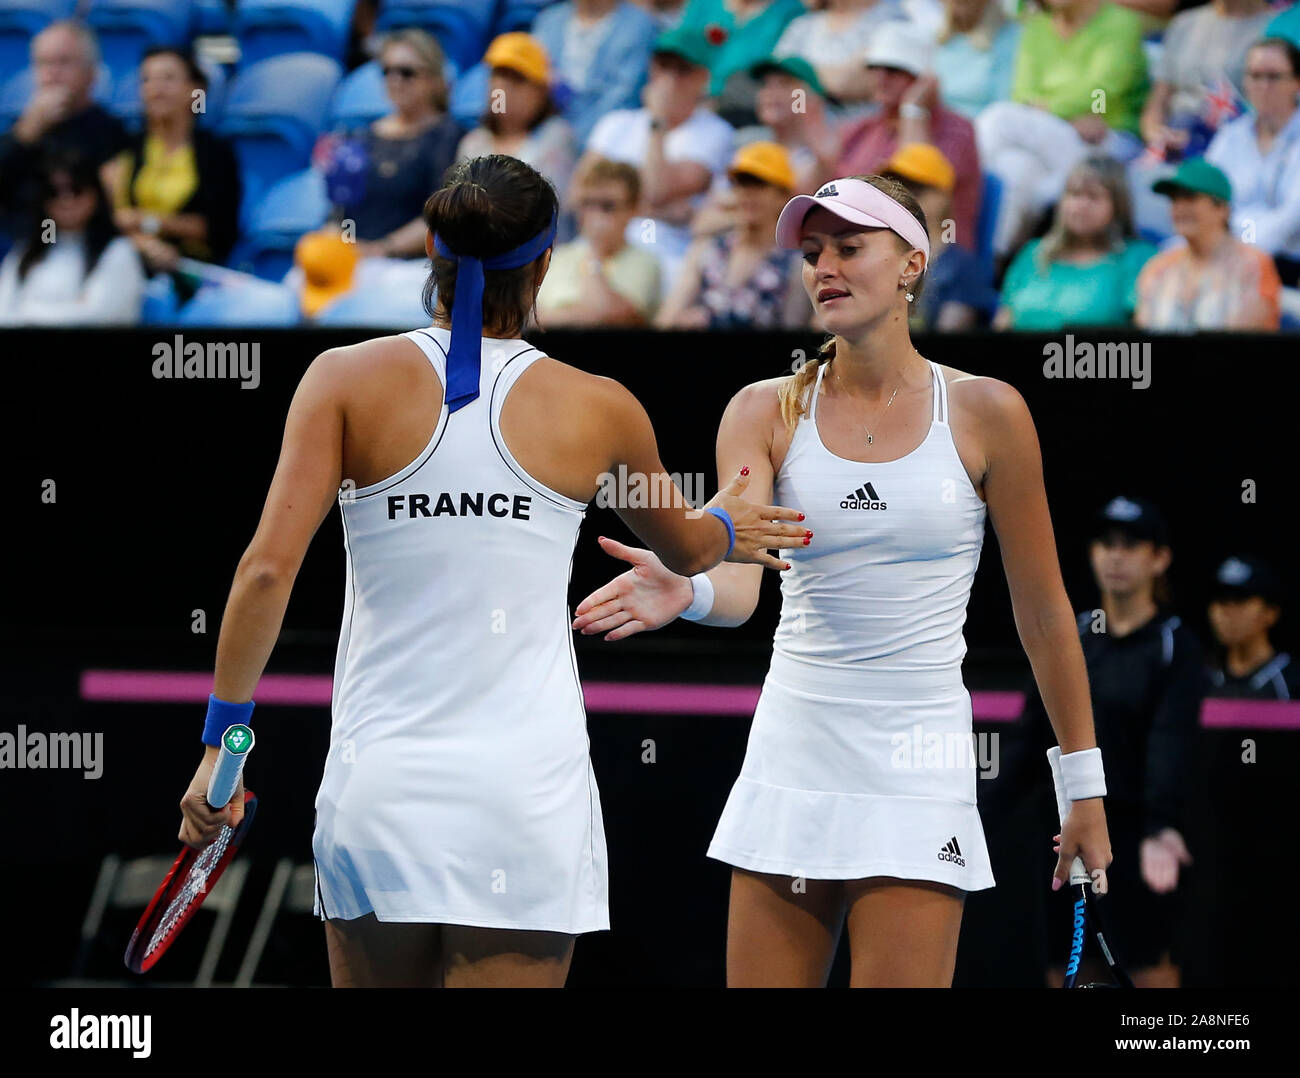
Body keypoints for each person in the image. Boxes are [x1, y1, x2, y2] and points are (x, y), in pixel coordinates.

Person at [175, 154, 809, 988]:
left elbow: (265, 574)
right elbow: (691, 549)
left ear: (433, 254)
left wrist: (223, 745)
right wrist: (729, 521)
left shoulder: (340, 380)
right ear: (545, 263)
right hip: (524, 803)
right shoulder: (600, 407)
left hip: (381, 795)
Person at [572, 174, 1115, 987]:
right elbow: (745, 582)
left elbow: (1043, 614)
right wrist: (691, 589)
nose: (823, 266)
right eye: (812, 251)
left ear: (911, 265)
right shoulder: (761, 410)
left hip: (919, 759)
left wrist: (1084, 788)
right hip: (794, 745)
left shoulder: (988, 412)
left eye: (850, 247)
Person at [1014, 497, 1207, 988]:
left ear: (1159, 558)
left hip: (1140, 839)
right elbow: (1028, 740)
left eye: (1131, 545)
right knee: (1068, 969)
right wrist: (976, 812)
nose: (1115, 557)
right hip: (1065, 835)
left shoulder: (1175, 644)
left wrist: (1161, 828)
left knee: (1145, 969)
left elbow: (1172, 742)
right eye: (1106, 545)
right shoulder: (1072, 636)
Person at [975, 0, 1148, 258]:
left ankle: (963, 196)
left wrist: (1049, 110)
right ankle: (996, 264)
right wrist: (1062, 116)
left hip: (1106, 138)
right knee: (1016, 168)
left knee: (998, 119)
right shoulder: (1036, 27)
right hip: (1053, 133)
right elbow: (1022, 92)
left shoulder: (1123, 22)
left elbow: (1102, 91)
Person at [1199, 554, 1294, 986]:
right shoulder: (1199, 678)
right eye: (1220, 600)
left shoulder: (1289, 682)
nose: (1227, 611)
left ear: (1271, 612)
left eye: (1241, 599)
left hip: (1278, 858)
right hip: (1211, 856)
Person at [583, 27, 735, 288]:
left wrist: (658, 122)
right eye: (663, 66)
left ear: (703, 77)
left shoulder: (715, 132)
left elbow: (655, 191)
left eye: (682, 70)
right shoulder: (616, 122)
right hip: (596, 243)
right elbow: (581, 192)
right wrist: (670, 211)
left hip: (664, 253)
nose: (669, 79)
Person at [836, 20, 981, 251]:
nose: (881, 77)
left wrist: (913, 111)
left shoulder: (958, 131)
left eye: (894, 70)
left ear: (923, 79)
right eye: (876, 67)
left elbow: (915, 197)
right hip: (869, 257)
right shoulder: (860, 130)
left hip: (939, 265)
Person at [321, 29, 463, 260]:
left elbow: (440, 217)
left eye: (407, 72)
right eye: (387, 71)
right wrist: (341, 247)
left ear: (433, 78)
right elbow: (341, 211)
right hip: (356, 259)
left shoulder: (449, 137)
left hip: (409, 266)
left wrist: (382, 249)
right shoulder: (363, 135)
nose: (395, 80)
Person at [103, 48, 241, 272]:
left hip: (191, 267)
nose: (156, 90)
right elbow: (108, 215)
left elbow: (218, 227)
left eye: (168, 79)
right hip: (129, 258)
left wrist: (146, 221)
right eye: (147, 80)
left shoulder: (215, 153)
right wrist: (143, 243)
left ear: (196, 90)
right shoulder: (124, 147)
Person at [995, 155, 1156, 330]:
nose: (1081, 205)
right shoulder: (1032, 253)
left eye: (1094, 197)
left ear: (1117, 206)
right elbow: (1004, 321)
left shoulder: (1138, 258)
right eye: (1074, 194)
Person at [657, 141, 807, 327]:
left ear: (783, 195)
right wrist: (685, 321)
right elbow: (666, 320)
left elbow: (795, 334)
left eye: (759, 185)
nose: (747, 193)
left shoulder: (794, 264)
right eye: (741, 183)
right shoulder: (708, 250)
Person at [0, 21, 127, 236]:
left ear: (91, 73)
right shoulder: (21, 129)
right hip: (22, 249)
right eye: (43, 63)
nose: (52, 73)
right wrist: (25, 134)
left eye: (64, 62)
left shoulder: (110, 131)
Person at [1136, 158, 1281, 330]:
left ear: (1222, 209)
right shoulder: (1158, 268)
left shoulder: (1253, 266)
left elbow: (1247, 335)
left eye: (1190, 198)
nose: (1179, 207)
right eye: (1174, 199)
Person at [0, 152, 144, 325]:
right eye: (53, 192)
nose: (65, 200)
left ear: (95, 194)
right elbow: (3, 312)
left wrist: (25, 312)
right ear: (43, 201)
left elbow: (98, 316)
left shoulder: (118, 250)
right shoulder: (26, 253)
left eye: (75, 189)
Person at [1204, 37, 1300, 287]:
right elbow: (1206, 195)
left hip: (1286, 264)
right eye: (1255, 76)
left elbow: (1290, 219)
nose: (1263, 86)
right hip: (1224, 253)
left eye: (1273, 77)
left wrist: (1235, 250)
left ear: (1297, 82)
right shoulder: (1230, 136)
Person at [880, 142, 996, 329]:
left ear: (942, 196)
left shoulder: (962, 268)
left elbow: (944, 345)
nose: (901, 200)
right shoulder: (877, 259)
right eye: (893, 191)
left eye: (914, 190)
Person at [535, 156, 662, 325]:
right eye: (587, 203)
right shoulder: (559, 257)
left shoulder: (645, 263)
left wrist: (594, 251)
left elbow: (609, 316)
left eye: (607, 206)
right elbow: (533, 320)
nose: (594, 215)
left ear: (633, 209)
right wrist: (587, 313)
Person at [457, 34, 578, 201]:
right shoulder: (473, 142)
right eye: (498, 75)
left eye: (517, 79)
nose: (502, 87)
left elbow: (549, 205)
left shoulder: (556, 135)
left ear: (540, 91)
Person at [532, 0, 658, 147]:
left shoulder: (639, 27)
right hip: (542, 139)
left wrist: (575, 142)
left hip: (606, 146)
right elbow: (531, 89)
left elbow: (622, 100)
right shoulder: (549, 21)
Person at [772, 0, 906, 105]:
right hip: (803, 125)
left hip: (860, 129)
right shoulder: (802, 25)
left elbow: (842, 84)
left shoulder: (892, 19)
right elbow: (777, 78)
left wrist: (798, 73)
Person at [743, 55, 839, 194]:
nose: (770, 93)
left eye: (785, 84)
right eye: (765, 85)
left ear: (812, 98)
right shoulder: (746, 140)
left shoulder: (830, 149)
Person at [933, 0, 1020, 121]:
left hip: (984, 128)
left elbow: (1005, 104)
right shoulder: (940, 40)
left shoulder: (1012, 37)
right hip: (942, 127)